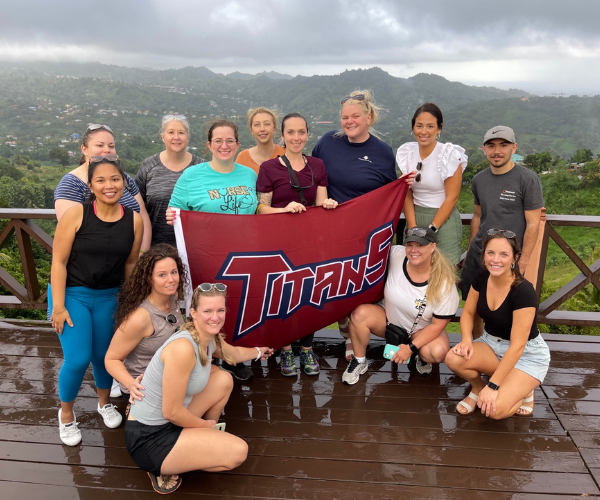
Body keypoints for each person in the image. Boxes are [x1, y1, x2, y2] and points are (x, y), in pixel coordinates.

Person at [122, 283, 273, 494]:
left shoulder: (208, 338)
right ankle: (165, 465)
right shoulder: (183, 348)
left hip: (170, 421)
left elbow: (234, 355)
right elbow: (171, 412)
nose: (215, 317)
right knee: (238, 452)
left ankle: (203, 442)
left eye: (220, 310)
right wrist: (204, 425)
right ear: (193, 313)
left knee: (223, 379)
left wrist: (259, 351)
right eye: (208, 311)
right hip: (150, 438)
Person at [312, 90, 414, 360]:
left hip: (367, 235)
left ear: (369, 117)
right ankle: (347, 335)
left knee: (361, 287)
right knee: (335, 284)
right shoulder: (327, 142)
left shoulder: (381, 152)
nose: (349, 121)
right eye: (345, 117)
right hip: (331, 231)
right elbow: (312, 175)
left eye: (355, 116)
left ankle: (374, 337)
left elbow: (389, 191)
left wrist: (406, 184)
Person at [50, 155, 143, 446]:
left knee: (106, 356)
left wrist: (128, 304)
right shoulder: (77, 213)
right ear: (91, 185)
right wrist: (59, 306)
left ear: (124, 183)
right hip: (73, 294)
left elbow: (129, 265)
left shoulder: (134, 220)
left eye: (115, 179)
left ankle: (104, 403)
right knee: (77, 359)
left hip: (108, 296)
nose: (109, 185)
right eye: (100, 180)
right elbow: (59, 262)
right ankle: (66, 414)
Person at [168, 119, 258, 380]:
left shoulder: (249, 175)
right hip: (207, 257)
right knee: (210, 309)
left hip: (243, 254)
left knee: (238, 305)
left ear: (238, 144)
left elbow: (259, 211)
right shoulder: (191, 175)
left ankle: (236, 357)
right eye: (218, 140)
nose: (224, 145)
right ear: (208, 145)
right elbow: (174, 211)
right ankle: (208, 359)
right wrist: (173, 216)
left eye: (230, 140)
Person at [256, 112, 338, 376]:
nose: (296, 137)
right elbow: (260, 210)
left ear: (307, 134)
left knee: (308, 296)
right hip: (278, 244)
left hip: (309, 243)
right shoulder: (269, 168)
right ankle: (286, 349)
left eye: (301, 132)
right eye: (290, 132)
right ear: (282, 135)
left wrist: (328, 204)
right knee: (283, 296)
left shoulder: (318, 165)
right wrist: (284, 210)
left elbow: (320, 203)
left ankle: (306, 347)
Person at [445, 230, 551, 419]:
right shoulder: (482, 276)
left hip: (526, 354)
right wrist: (466, 340)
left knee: (494, 410)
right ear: (484, 255)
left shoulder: (523, 292)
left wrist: (495, 386)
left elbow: (518, 346)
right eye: (491, 253)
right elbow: (468, 312)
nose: (496, 260)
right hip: (491, 343)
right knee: (454, 358)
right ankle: (479, 389)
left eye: (504, 254)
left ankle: (523, 391)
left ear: (514, 258)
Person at [342, 226, 458, 385]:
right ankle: (359, 360)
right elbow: (369, 245)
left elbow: (438, 325)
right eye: (410, 244)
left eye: (420, 245)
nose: (413, 250)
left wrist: (410, 348)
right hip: (388, 321)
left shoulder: (445, 282)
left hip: (421, 329)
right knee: (359, 314)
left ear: (432, 247)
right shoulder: (397, 254)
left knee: (437, 352)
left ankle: (422, 356)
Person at [461, 126, 544, 338]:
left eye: (503, 145)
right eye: (491, 145)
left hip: (508, 258)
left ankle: (507, 357)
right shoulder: (479, 179)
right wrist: (472, 248)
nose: (497, 151)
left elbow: (533, 223)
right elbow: (478, 216)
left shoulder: (528, 179)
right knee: (477, 307)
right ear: (484, 149)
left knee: (508, 308)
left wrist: (522, 261)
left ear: (513, 148)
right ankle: (479, 348)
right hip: (480, 254)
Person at [105, 244, 186, 399]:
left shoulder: (172, 297)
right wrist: (131, 385)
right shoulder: (140, 317)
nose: (171, 279)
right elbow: (111, 359)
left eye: (174, 272)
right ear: (149, 279)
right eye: (162, 275)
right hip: (145, 387)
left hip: (170, 378)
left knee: (219, 379)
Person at [54, 123, 151, 250]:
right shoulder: (71, 184)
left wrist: (142, 255)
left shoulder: (125, 178)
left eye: (111, 146)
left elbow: (143, 216)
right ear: (84, 149)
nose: (106, 150)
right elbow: (69, 232)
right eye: (99, 145)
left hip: (134, 261)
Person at [396, 103, 467, 264]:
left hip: (443, 220)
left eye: (430, 126)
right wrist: (413, 228)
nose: (424, 131)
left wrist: (432, 229)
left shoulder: (449, 155)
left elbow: (452, 197)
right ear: (413, 127)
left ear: (439, 129)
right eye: (419, 126)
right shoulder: (407, 153)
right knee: (415, 270)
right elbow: (406, 193)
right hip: (415, 215)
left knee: (444, 272)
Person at [135, 115, 206, 246]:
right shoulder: (149, 166)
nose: (176, 137)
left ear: (188, 137)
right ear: (163, 137)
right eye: (171, 132)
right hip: (155, 247)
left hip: (195, 247)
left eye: (181, 132)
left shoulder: (202, 168)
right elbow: (137, 206)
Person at [236, 107, 285, 173]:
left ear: (274, 128)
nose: (262, 129)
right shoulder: (242, 158)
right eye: (257, 125)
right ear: (251, 130)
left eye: (267, 124)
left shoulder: (286, 154)